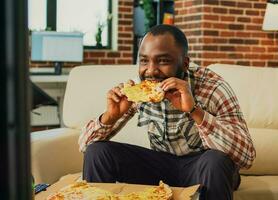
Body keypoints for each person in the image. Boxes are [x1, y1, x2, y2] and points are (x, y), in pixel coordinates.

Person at [79, 24, 256, 200]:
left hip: (204, 167)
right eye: (144, 60)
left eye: (163, 61)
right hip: (161, 167)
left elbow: (247, 156)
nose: (151, 71)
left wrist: (195, 111)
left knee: (215, 161)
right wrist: (111, 117)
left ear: (184, 63)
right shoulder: (135, 89)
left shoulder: (213, 87)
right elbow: (84, 145)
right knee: (98, 152)